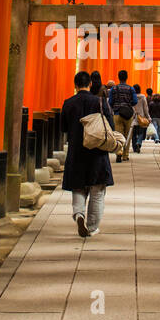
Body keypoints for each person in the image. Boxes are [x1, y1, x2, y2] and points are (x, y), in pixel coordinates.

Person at [62, 69, 113, 238]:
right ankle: (92, 227)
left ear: (75, 85)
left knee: (78, 186)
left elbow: (63, 128)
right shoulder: (99, 101)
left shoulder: (68, 103)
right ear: (90, 84)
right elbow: (110, 125)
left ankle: (79, 215)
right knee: (97, 189)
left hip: (76, 150)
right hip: (96, 150)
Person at [107, 70, 136, 163]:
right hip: (128, 114)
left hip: (117, 114)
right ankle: (125, 155)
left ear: (118, 77)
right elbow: (135, 101)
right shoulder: (131, 89)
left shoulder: (113, 89)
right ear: (126, 77)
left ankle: (119, 152)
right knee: (127, 135)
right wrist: (128, 104)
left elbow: (110, 102)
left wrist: (116, 106)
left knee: (119, 135)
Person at [130, 83, 151, 153]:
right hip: (141, 117)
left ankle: (134, 147)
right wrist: (148, 117)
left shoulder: (131, 97)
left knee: (133, 134)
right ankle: (138, 143)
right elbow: (145, 108)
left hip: (133, 117)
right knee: (141, 132)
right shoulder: (142, 96)